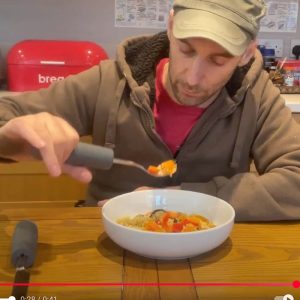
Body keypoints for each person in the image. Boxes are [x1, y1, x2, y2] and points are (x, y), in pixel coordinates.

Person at [0, 0, 300, 221]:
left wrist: (183, 200)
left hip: (205, 250)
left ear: (247, 53)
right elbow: (6, 114)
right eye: (186, 50)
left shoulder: (256, 96)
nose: (193, 78)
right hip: (108, 244)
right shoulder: (110, 80)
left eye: (218, 61)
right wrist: (13, 138)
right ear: (170, 27)